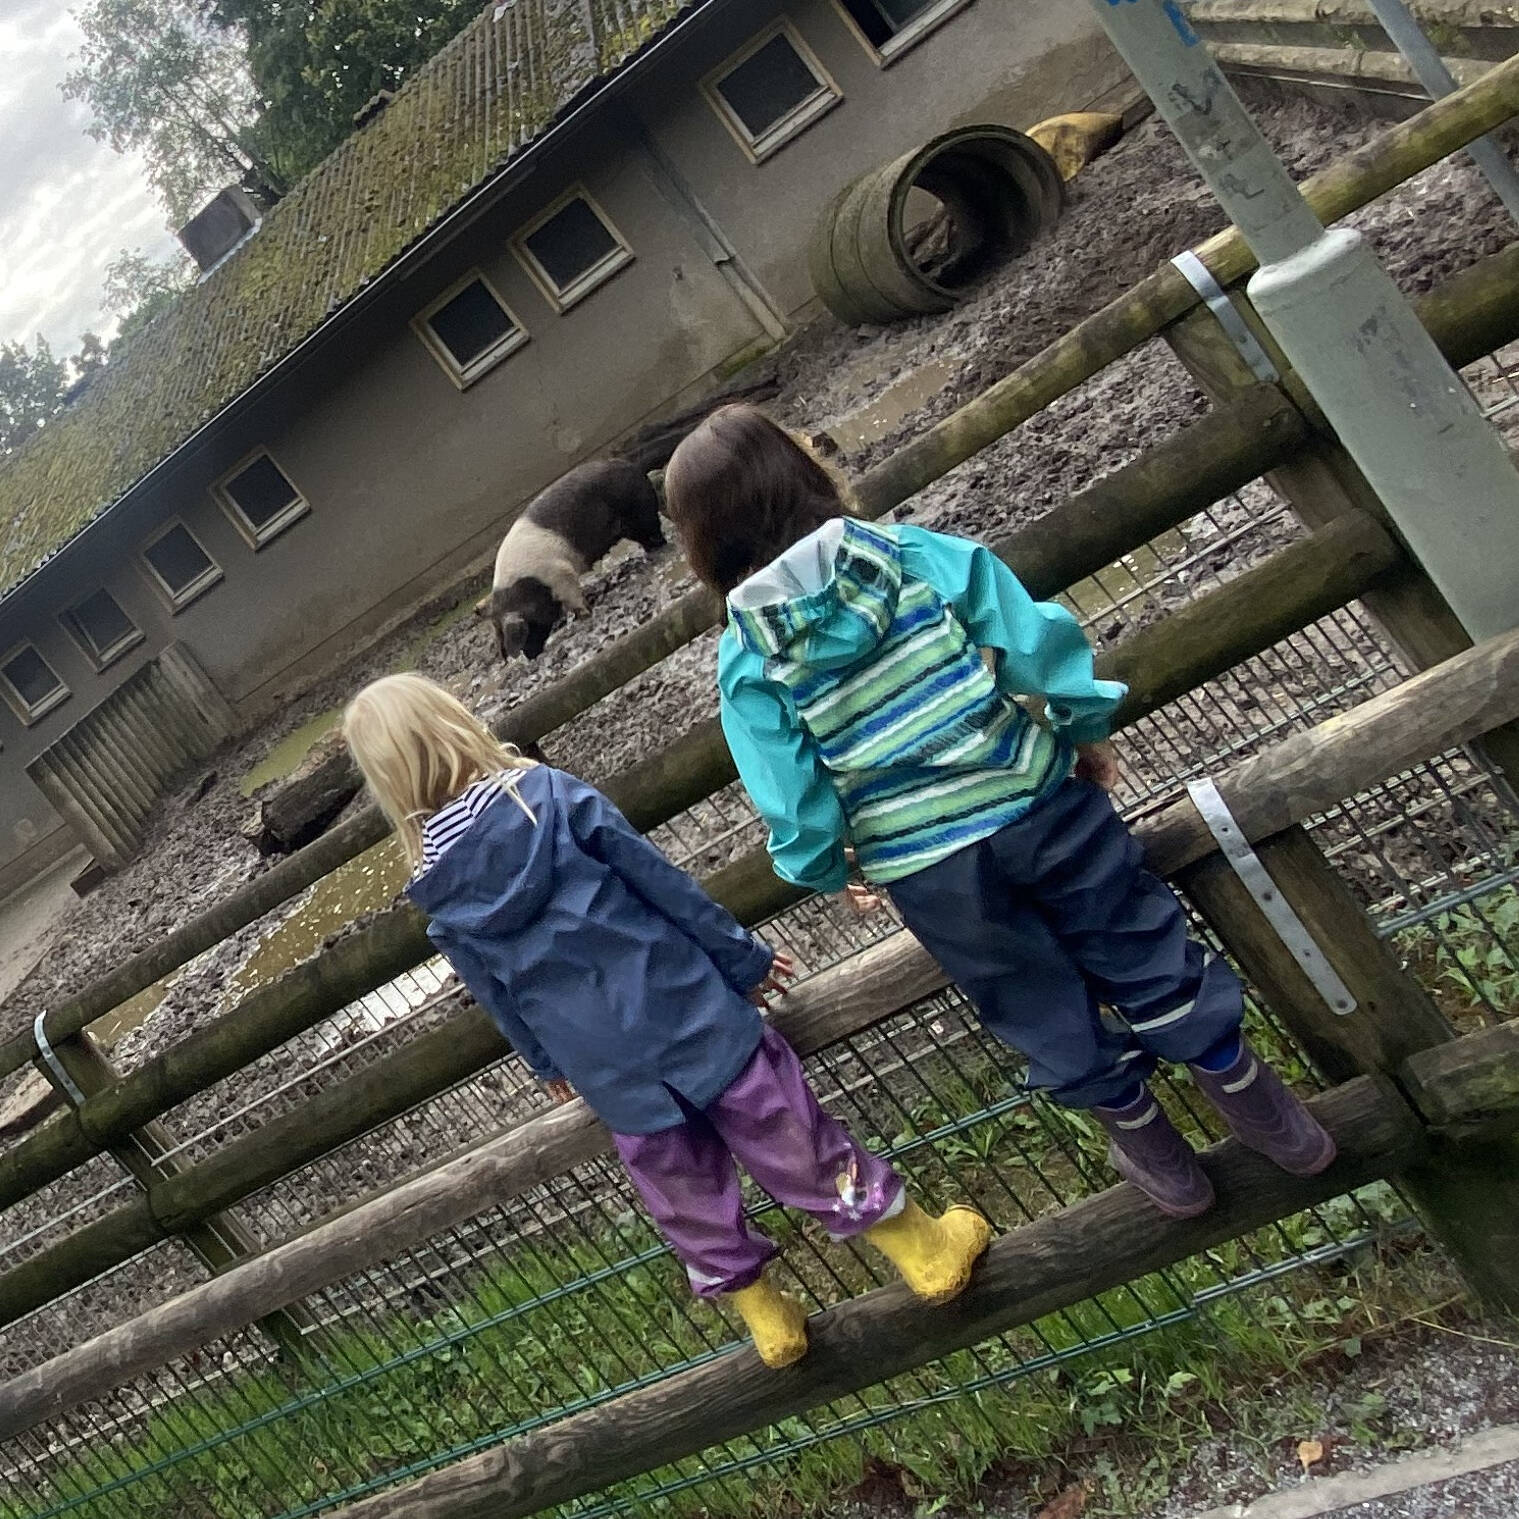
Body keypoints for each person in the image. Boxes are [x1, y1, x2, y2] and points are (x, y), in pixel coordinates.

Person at [663, 404, 1337, 1222]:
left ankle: (1158, 1154)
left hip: (929, 867)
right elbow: (1040, 645)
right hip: (1035, 798)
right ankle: (1264, 1110)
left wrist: (826, 860)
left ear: (704, 542)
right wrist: (1077, 727)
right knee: (1137, 940)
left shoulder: (747, 656)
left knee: (1028, 996)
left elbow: (787, 789)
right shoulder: (913, 556)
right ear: (803, 472)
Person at [342, 672, 991, 1368]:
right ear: (453, 723)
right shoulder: (550, 799)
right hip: (687, 1010)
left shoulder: (439, 897)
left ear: (389, 781)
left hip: (610, 1070)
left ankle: (767, 1318)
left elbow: (498, 996)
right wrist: (740, 959)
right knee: (788, 1130)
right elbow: (662, 885)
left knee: (680, 1189)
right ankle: (921, 1250)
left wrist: (547, 1064)